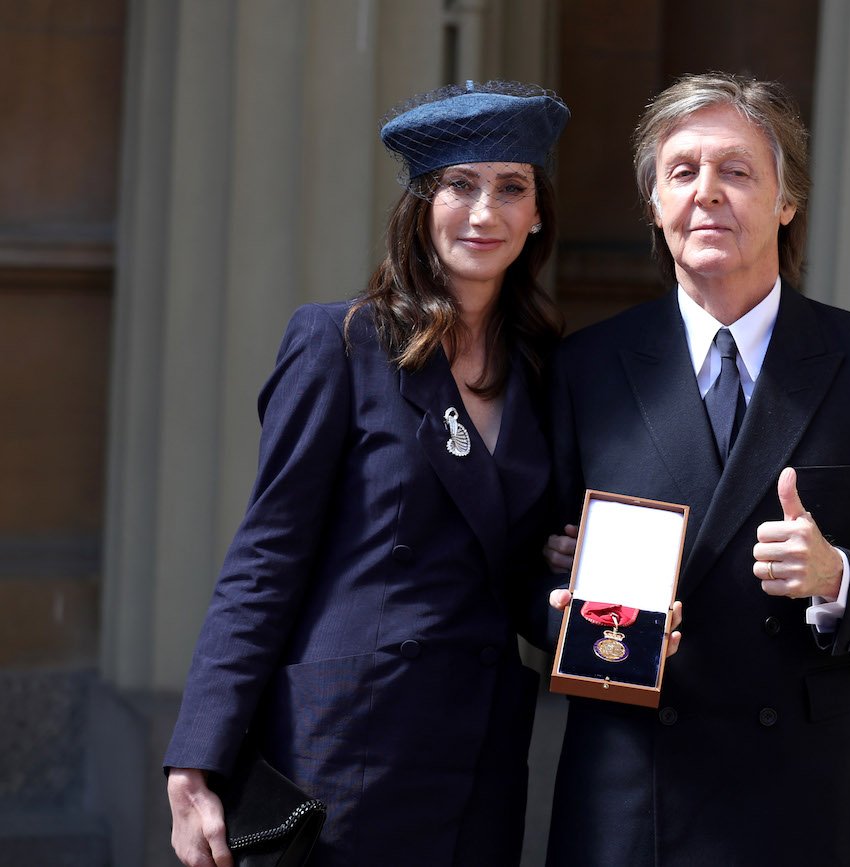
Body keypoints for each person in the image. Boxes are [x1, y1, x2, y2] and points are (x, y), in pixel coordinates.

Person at [542, 72, 850, 866]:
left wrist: (837, 576)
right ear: (655, 205)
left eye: (736, 171)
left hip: (799, 795)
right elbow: (530, 574)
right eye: (682, 172)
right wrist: (575, 614)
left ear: (786, 199)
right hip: (634, 791)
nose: (708, 194)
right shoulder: (586, 367)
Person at [164, 80, 569, 866]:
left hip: (478, 753)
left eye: (511, 187)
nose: (485, 211)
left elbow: (511, 570)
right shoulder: (342, 342)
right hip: (346, 748)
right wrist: (196, 759)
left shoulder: (546, 371)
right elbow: (266, 557)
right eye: (459, 184)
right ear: (421, 205)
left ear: (537, 211)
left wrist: (581, 598)